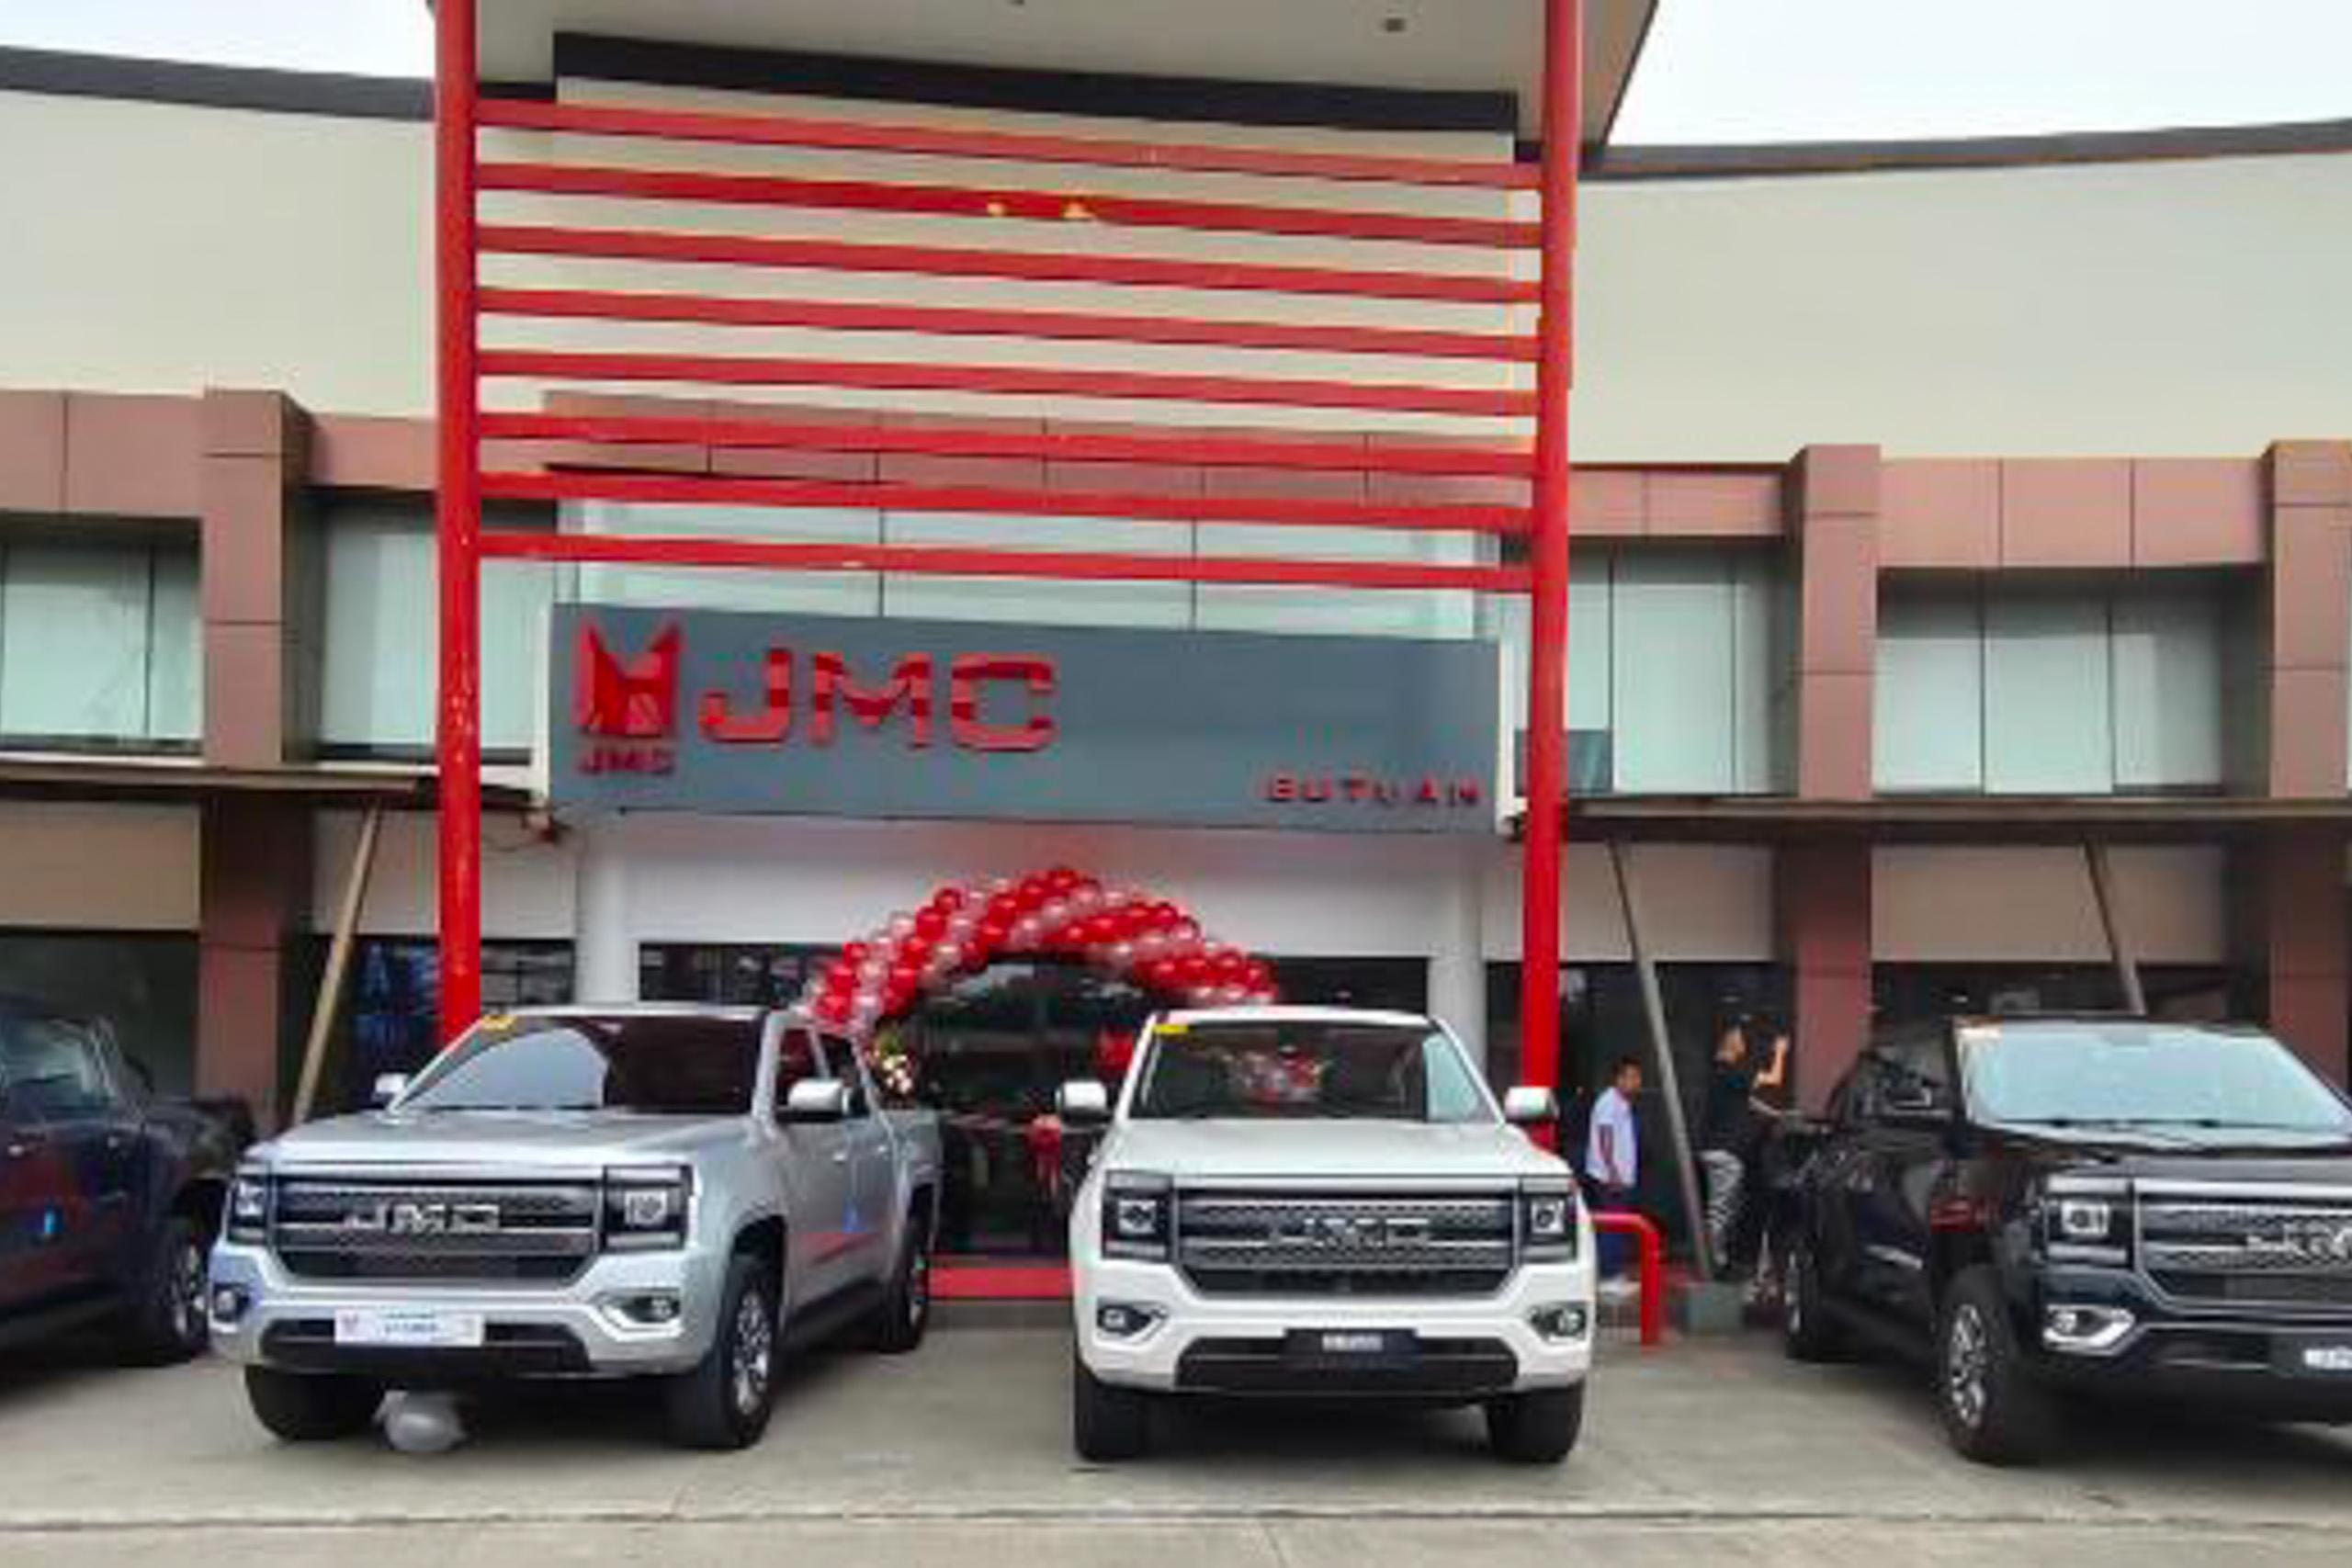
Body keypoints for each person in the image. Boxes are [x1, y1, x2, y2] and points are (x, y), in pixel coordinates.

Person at [1700, 1018, 1789, 1280]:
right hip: (1724, 1151)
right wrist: (1780, 1052)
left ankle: (1721, 1258)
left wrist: (1776, 1114)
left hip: (1718, 1149)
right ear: (1730, 1042)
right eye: (1740, 1039)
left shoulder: (1722, 1073)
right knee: (1720, 1211)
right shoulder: (1732, 1071)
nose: (1744, 1044)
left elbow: (1747, 1101)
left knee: (1727, 1208)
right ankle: (1713, 1264)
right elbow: (1775, 1079)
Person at [1582, 1055, 1643, 1289]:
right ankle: (1609, 1276)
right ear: (1618, 1079)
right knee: (1613, 1227)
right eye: (1631, 1077)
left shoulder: (1622, 1102)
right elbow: (1604, 1137)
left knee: (1616, 1225)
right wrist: (1613, 1172)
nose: (1636, 1082)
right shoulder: (1609, 1101)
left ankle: (1612, 1275)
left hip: (1618, 1176)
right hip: (1609, 1177)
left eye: (1638, 1077)